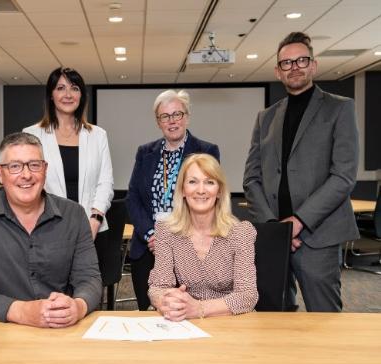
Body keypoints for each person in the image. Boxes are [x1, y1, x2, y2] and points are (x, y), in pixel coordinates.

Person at [243, 32, 359, 312]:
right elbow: (252, 178)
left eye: (301, 60)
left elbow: (343, 176)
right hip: (273, 238)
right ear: (278, 71)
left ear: (313, 65)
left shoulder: (339, 109)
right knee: (273, 320)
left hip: (317, 237)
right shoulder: (266, 117)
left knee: (324, 321)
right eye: (286, 63)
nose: (294, 67)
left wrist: (297, 222)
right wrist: (275, 227)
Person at [0, 132, 101, 327]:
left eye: (34, 165)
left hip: (59, 330)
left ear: (45, 169)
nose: (26, 175)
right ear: (0, 173)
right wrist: (22, 311)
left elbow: (89, 279)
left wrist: (78, 307)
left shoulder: (74, 215)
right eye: (15, 166)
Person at [126, 89, 220, 311]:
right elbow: (133, 199)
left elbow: (205, 198)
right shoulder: (145, 152)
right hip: (148, 247)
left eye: (177, 114)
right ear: (158, 122)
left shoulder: (206, 151)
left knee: (184, 312)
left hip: (189, 246)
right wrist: (152, 235)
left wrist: (172, 240)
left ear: (187, 116)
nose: (172, 121)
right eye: (165, 116)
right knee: (148, 312)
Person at [23, 67, 114, 283]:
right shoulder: (32, 135)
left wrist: (95, 219)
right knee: (51, 292)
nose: (68, 94)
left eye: (74, 88)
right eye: (60, 88)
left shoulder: (97, 135)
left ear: (81, 95)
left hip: (93, 228)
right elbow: (31, 181)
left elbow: (105, 182)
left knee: (89, 293)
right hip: (48, 229)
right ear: (51, 95)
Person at [148, 154, 257, 320]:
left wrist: (199, 308)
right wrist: (166, 301)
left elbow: (247, 296)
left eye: (209, 182)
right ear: (183, 190)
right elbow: (158, 287)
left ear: (219, 191)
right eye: (192, 181)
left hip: (231, 321)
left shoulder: (241, 233)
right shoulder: (166, 231)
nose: (200, 190)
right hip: (185, 321)